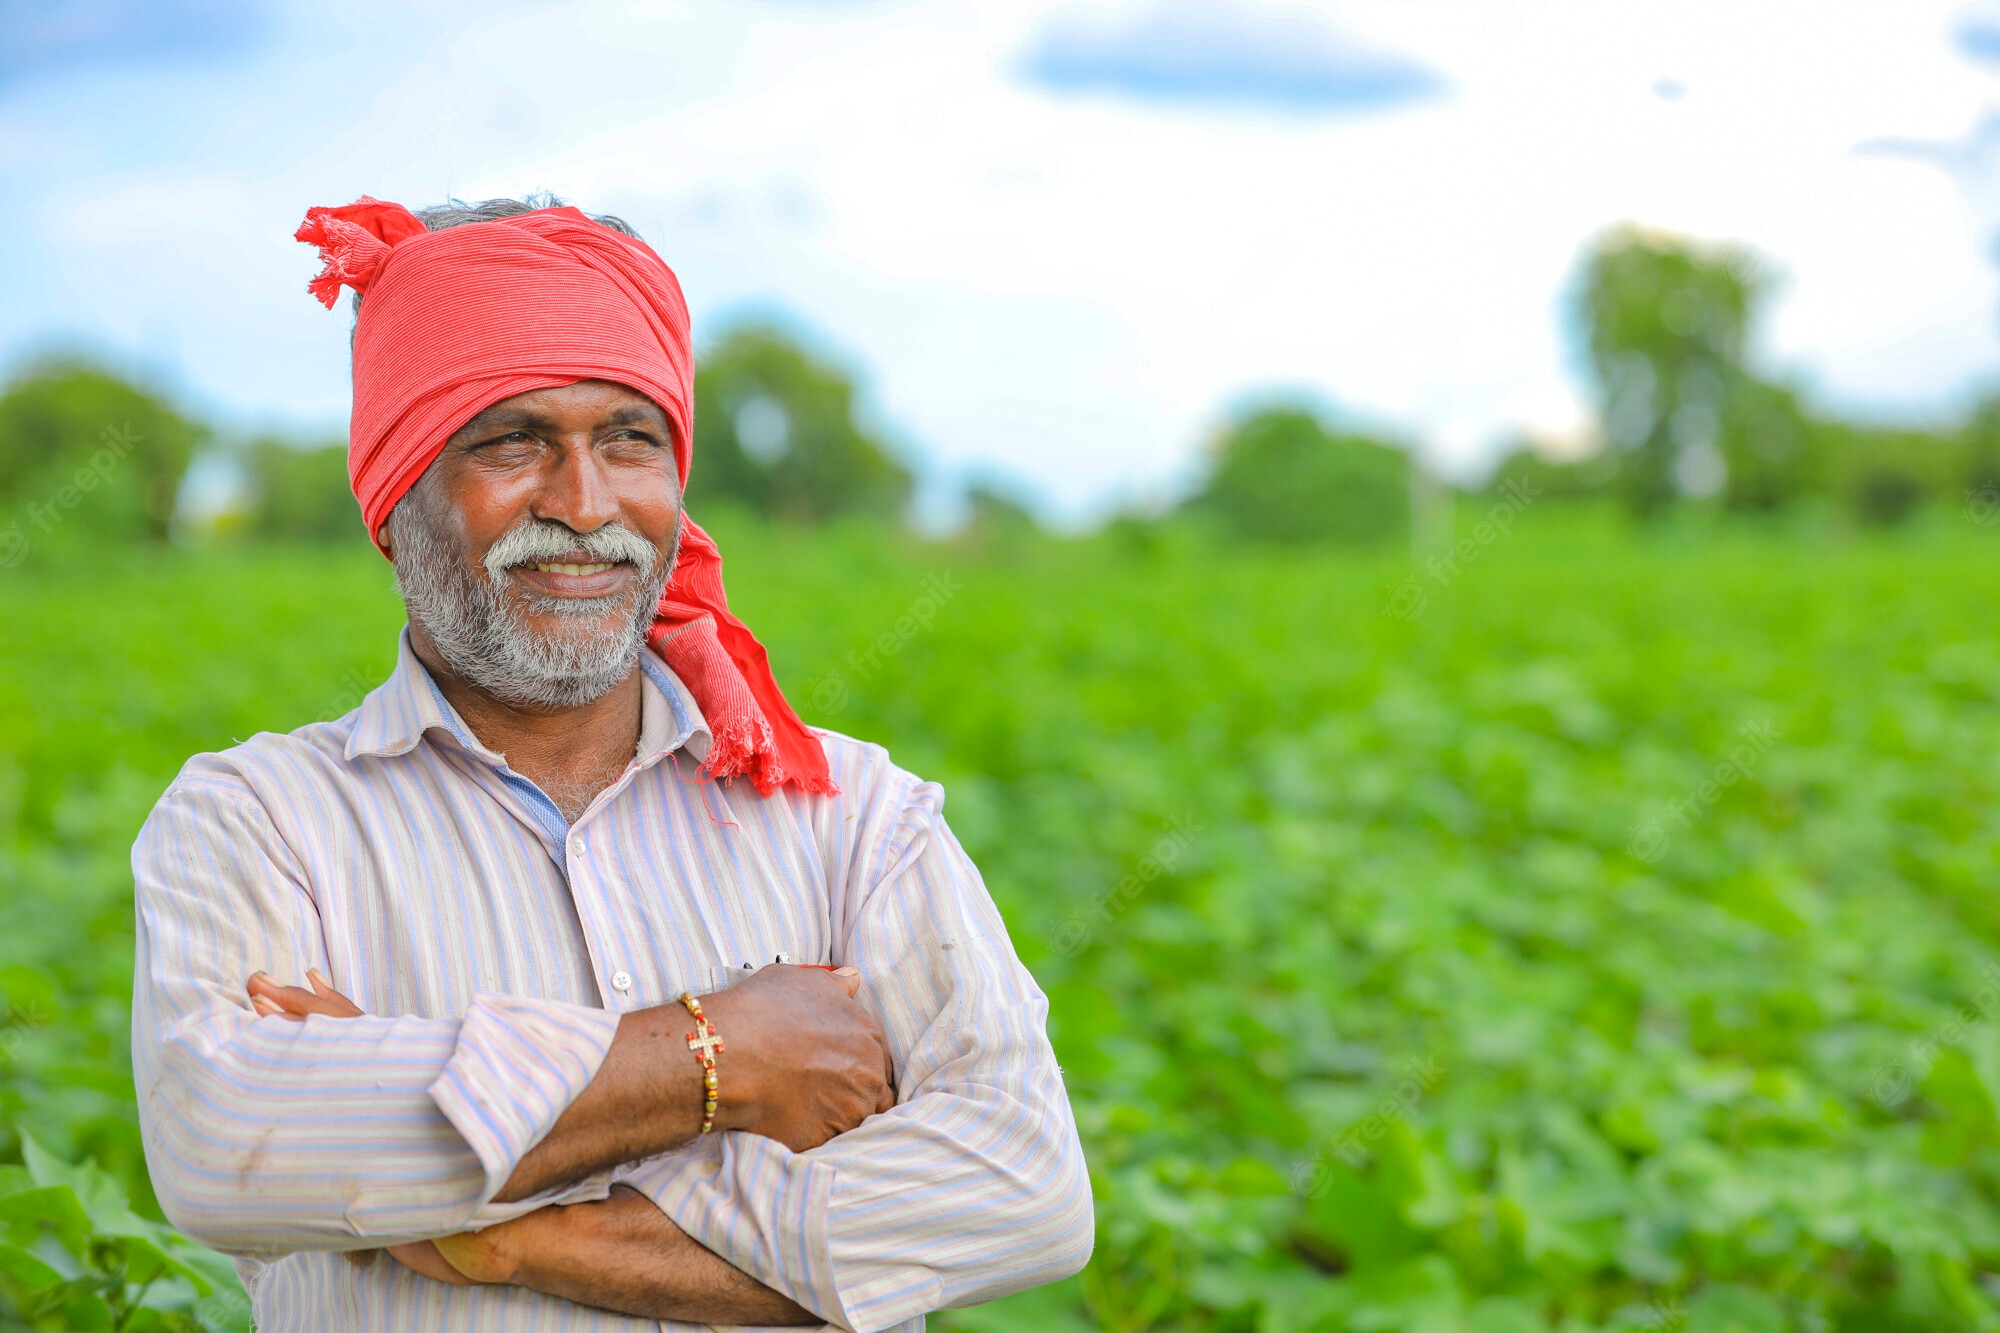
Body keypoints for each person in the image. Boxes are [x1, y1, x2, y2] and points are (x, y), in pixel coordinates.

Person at [129, 195, 1093, 1331]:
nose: (585, 505)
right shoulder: (258, 820)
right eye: (512, 440)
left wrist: (513, 1233)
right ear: (394, 503)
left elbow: (1024, 1189)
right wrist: (722, 1054)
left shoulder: (849, 813)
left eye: (629, 439)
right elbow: (229, 1144)